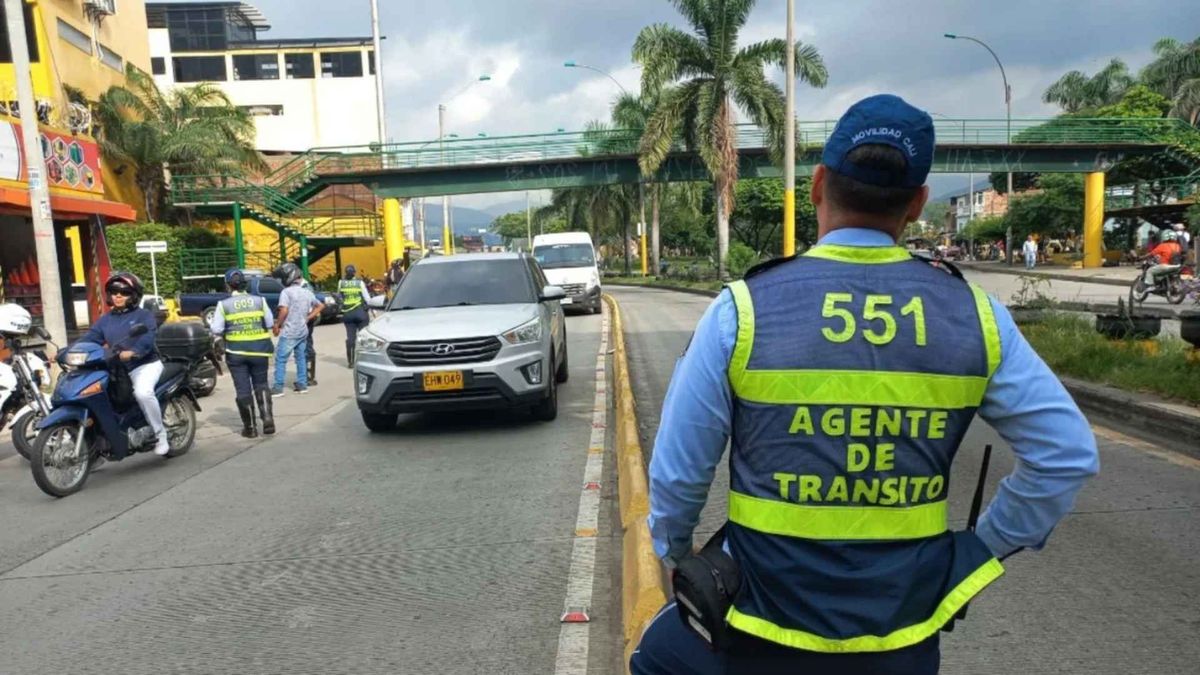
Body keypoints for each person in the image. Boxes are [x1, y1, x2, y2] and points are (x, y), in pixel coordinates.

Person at [630, 94, 1100, 675]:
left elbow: (679, 474)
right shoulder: (974, 316)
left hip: (757, 621)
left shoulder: (743, 310)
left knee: (652, 660)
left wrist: (677, 555)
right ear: (918, 203)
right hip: (902, 631)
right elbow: (1066, 455)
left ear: (818, 183)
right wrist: (984, 547)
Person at [80, 272, 169, 455]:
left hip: (144, 365)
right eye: (114, 291)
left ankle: (160, 435)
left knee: (143, 393)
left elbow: (147, 337)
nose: (118, 296)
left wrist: (134, 351)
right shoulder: (105, 320)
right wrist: (70, 351)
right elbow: (90, 339)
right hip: (115, 367)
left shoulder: (144, 316)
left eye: (124, 292)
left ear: (134, 295)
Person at [209, 269, 275, 438]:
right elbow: (268, 322)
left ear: (228, 285)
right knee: (261, 384)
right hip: (260, 350)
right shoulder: (260, 301)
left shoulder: (224, 305)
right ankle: (267, 419)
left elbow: (216, 329)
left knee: (242, 389)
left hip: (236, 352)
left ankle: (251, 428)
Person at [272, 263, 323, 396]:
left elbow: (284, 310)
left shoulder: (286, 292)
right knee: (300, 357)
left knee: (281, 359)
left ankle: (278, 387)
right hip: (302, 330)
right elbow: (320, 305)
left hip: (290, 331)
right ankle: (302, 384)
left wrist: (277, 324)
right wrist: (308, 317)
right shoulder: (307, 292)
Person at [338, 264, 371, 367]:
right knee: (363, 336)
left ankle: (351, 362)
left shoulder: (341, 283)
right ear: (354, 273)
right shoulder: (359, 283)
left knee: (350, 337)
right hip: (360, 312)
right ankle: (364, 360)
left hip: (347, 313)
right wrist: (373, 311)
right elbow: (367, 298)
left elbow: (339, 296)